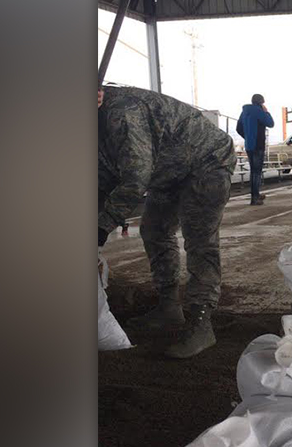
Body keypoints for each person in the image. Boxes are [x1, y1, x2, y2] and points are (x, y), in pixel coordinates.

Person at [98, 84, 235, 358]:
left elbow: (135, 177)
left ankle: (201, 322)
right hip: (167, 171)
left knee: (200, 239)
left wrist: (101, 227)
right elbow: (104, 177)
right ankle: (169, 306)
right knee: (154, 230)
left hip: (205, 162)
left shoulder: (122, 113)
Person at [235, 94, 275, 205]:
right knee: (257, 172)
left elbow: (238, 128)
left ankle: (255, 194)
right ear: (261, 102)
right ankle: (255, 197)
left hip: (249, 146)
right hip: (258, 145)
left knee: (253, 171)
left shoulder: (244, 112)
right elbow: (270, 123)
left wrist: (248, 137)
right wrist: (266, 112)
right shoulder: (258, 111)